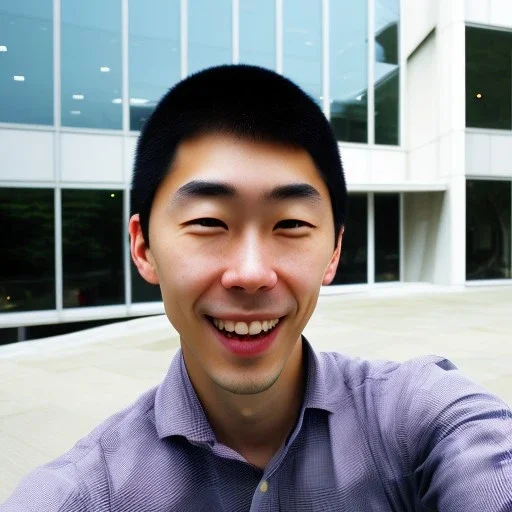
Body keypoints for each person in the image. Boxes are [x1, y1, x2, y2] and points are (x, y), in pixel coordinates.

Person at [2, 65, 511, 512]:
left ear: (333, 250)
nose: (250, 274)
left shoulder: (415, 416)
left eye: (290, 224)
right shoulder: (90, 492)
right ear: (143, 248)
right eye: (208, 222)